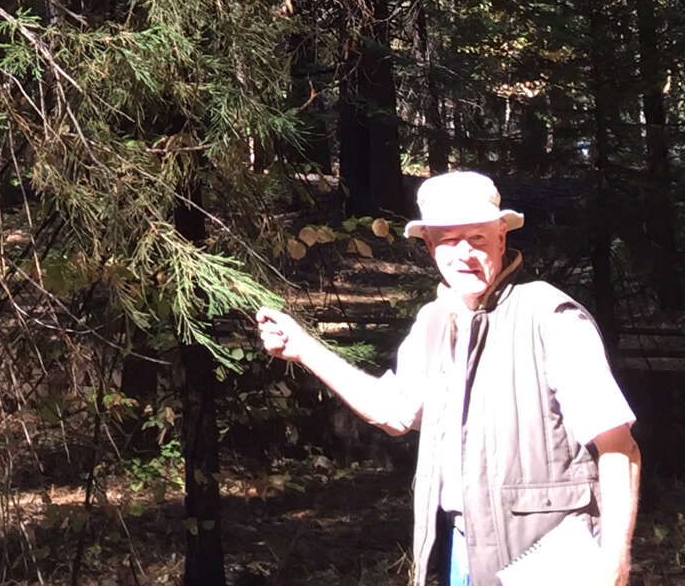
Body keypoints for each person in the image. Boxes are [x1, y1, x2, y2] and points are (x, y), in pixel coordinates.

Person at [254, 171, 641, 586]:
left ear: (501, 238)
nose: (464, 253)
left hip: (549, 558)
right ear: (429, 246)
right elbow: (393, 413)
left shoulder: (550, 316)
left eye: (477, 237)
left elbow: (618, 447)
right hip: (458, 548)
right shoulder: (435, 321)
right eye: (448, 240)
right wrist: (303, 349)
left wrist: (614, 562)